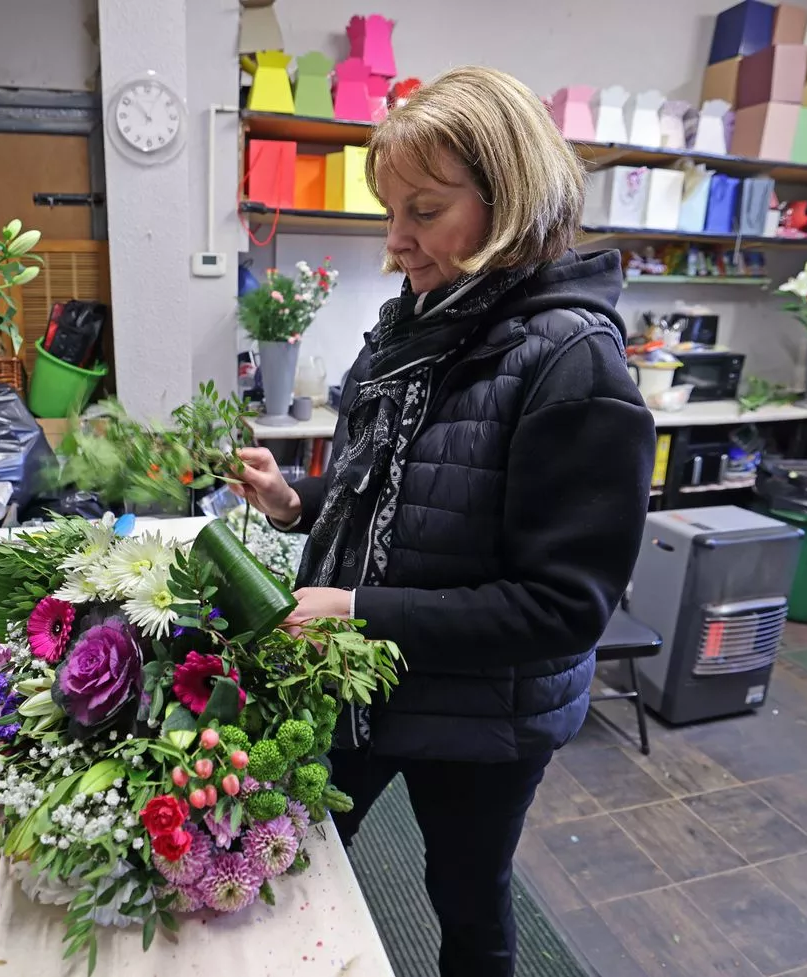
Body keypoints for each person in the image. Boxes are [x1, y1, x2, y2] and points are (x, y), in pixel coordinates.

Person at [232, 66, 655, 977]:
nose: (396, 243)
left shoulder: (573, 363)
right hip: (371, 682)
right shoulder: (424, 322)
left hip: (481, 714)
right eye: (391, 212)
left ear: (509, 200)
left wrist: (357, 611)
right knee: (286, 848)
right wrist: (298, 497)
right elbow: (401, 478)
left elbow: (562, 609)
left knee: (467, 896)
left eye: (423, 211)